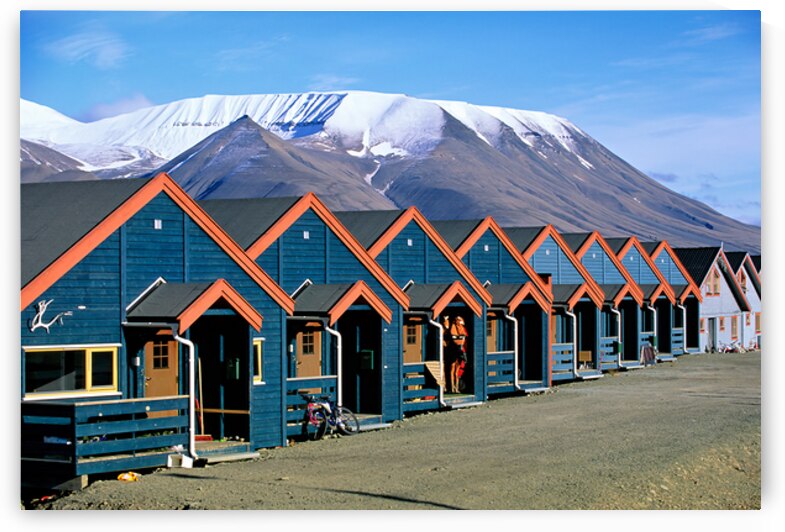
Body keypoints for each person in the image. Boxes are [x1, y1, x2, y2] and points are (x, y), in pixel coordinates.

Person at [448, 316, 468, 393]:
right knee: (452, 369)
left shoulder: (462, 328)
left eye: (460, 320)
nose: (460, 322)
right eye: (458, 320)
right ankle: (452, 387)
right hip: (454, 350)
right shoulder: (453, 327)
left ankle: (457, 388)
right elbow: (454, 338)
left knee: (457, 370)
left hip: (460, 350)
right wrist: (459, 339)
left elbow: (464, 336)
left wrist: (461, 338)